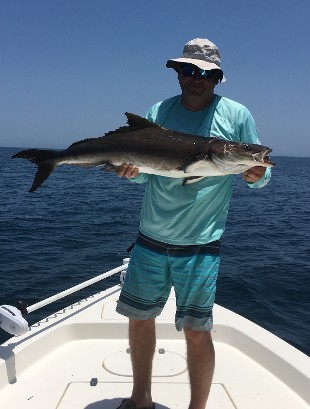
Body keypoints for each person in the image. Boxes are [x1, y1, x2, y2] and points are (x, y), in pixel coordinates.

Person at [115, 38, 271, 409]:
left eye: (205, 73)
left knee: (197, 332)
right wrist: (130, 172)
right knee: (139, 321)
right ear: (177, 73)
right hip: (150, 238)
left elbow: (260, 172)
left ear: (217, 78)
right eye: (188, 70)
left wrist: (252, 175)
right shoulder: (159, 111)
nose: (196, 78)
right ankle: (141, 401)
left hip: (201, 245)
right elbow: (147, 175)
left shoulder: (235, 116)